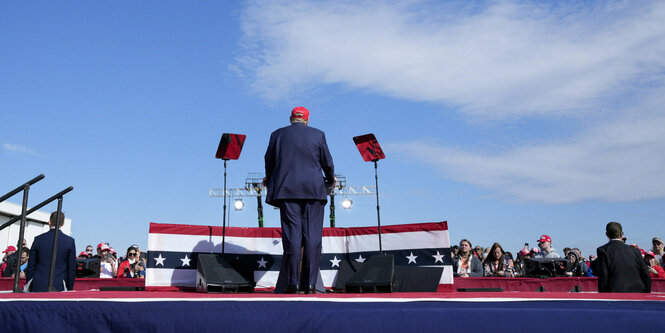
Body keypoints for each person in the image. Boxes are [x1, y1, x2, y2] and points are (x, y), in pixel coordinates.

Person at [263, 106, 335, 294]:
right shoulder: (318, 135)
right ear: (307, 120)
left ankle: (293, 284)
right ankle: (310, 285)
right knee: (312, 237)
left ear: (290, 119)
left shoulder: (277, 135)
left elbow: (269, 161)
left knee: (292, 237)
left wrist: (270, 179)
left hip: (287, 190)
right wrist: (330, 178)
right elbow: (327, 161)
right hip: (313, 190)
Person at [593, 222, 650, 293]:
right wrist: (647, 293)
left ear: (607, 235)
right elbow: (645, 274)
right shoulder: (635, 251)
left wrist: (602, 295)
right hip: (637, 292)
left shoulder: (603, 250)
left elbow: (604, 275)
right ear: (621, 234)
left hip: (615, 293)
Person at [26, 211, 76, 292]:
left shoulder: (38, 239)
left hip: (38, 284)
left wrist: (29, 283)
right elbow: (71, 268)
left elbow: (31, 265)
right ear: (63, 223)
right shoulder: (69, 242)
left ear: (49, 222)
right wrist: (70, 288)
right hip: (59, 285)